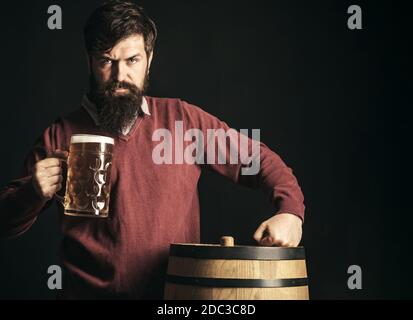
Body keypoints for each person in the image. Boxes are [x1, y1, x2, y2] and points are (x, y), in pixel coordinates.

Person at [0, 0, 305, 299]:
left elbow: (259, 160)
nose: (120, 76)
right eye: (106, 60)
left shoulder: (183, 122)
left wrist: (291, 212)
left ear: (149, 59)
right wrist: (32, 191)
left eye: (132, 60)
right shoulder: (59, 135)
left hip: (176, 301)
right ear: (89, 61)